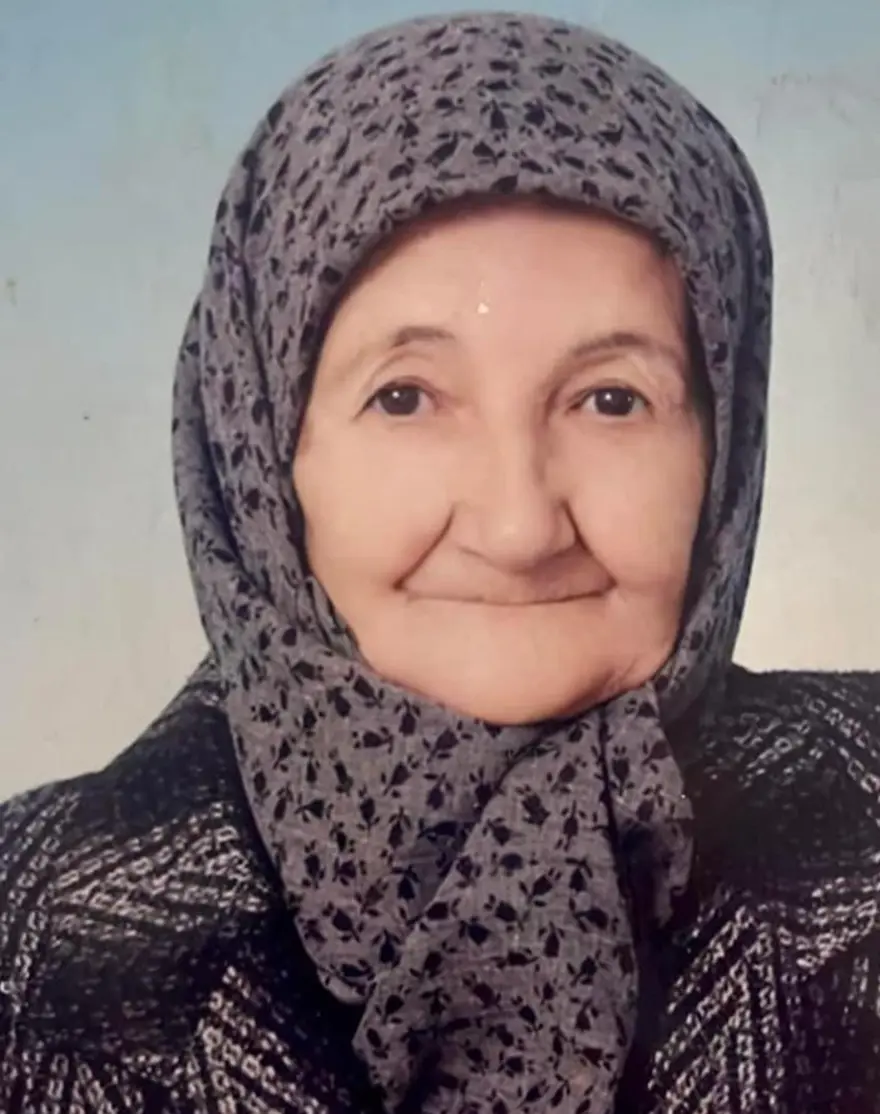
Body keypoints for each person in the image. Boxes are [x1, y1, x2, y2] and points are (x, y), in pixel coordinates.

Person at [1, 10, 878, 1114]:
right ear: (264, 451)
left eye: (612, 399)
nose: (518, 526)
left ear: (723, 441)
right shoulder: (25, 937)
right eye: (406, 396)